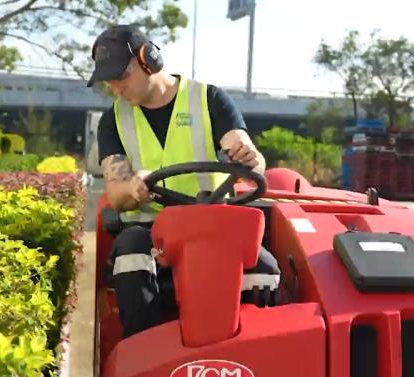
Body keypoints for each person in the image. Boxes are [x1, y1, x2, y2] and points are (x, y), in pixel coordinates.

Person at [87, 24, 280, 338]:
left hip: (214, 227)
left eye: (121, 77)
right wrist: (134, 187)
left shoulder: (209, 99)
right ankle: (142, 355)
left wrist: (249, 158)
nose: (116, 89)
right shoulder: (114, 121)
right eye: (109, 82)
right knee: (130, 250)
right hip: (152, 235)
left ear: (148, 59)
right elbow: (117, 193)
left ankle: (249, 353)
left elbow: (248, 154)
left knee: (264, 266)